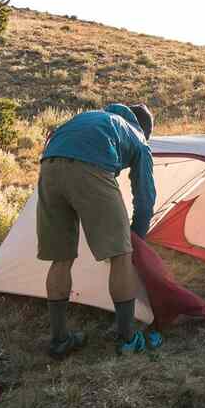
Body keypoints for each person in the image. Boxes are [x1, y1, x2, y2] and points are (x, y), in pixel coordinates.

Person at [37, 102, 161, 359]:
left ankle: (60, 340)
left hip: (48, 167)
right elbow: (145, 198)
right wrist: (136, 239)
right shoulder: (138, 137)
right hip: (90, 168)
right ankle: (128, 339)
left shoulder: (94, 118)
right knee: (120, 255)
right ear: (145, 129)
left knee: (61, 258)